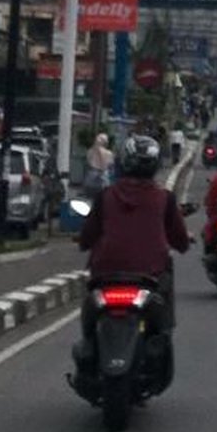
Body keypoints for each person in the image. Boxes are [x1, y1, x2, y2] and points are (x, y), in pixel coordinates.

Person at [77, 135, 190, 340]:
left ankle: (88, 346)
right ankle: (164, 334)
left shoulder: (106, 195)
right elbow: (180, 241)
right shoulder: (164, 198)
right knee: (162, 324)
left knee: (89, 307)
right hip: (150, 274)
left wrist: (84, 242)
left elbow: (87, 237)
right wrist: (183, 242)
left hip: (106, 273)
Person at [83, 133, 114, 197]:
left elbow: (87, 164)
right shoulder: (108, 153)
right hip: (101, 178)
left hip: (93, 177)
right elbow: (110, 167)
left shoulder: (90, 151)